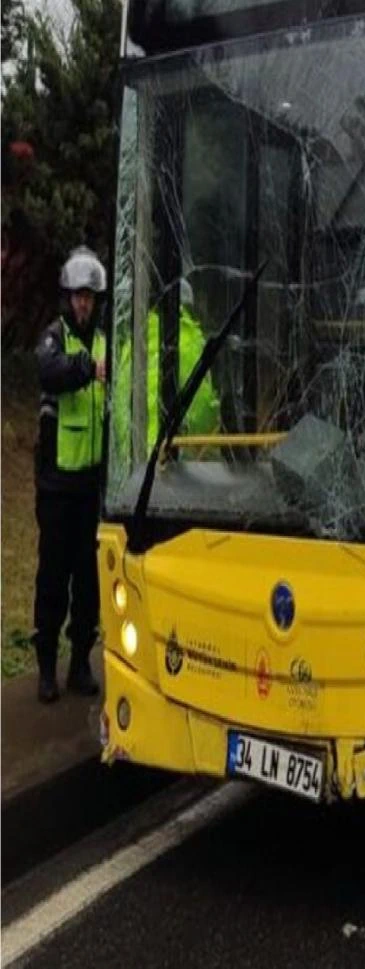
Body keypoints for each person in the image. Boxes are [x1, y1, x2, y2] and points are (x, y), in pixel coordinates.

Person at [32, 247, 107, 702]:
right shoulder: (55, 338)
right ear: (68, 297)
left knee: (88, 582)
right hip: (57, 485)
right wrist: (87, 369)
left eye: (90, 297)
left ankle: (80, 662)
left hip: (90, 487)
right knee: (53, 579)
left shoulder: (103, 341)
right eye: (78, 296)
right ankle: (46, 666)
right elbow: (49, 372)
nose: (83, 303)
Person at [112, 279, 220, 460]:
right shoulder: (188, 339)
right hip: (175, 453)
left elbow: (120, 403)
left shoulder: (135, 339)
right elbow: (201, 404)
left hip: (138, 456)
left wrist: (126, 449)